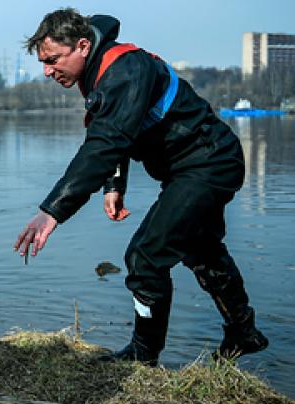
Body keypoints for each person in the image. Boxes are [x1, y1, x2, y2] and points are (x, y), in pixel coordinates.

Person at [14, 7, 268, 366]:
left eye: (53, 60)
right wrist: (114, 187)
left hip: (209, 164)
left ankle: (142, 356)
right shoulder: (100, 68)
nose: (47, 71)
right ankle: (245, 333)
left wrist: (51, 211)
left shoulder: (124, 69)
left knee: (145, 257)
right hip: (192, 168)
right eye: (43, 62)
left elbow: (105, 143)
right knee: (200, 248)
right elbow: (116, 130)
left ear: (82, 45)